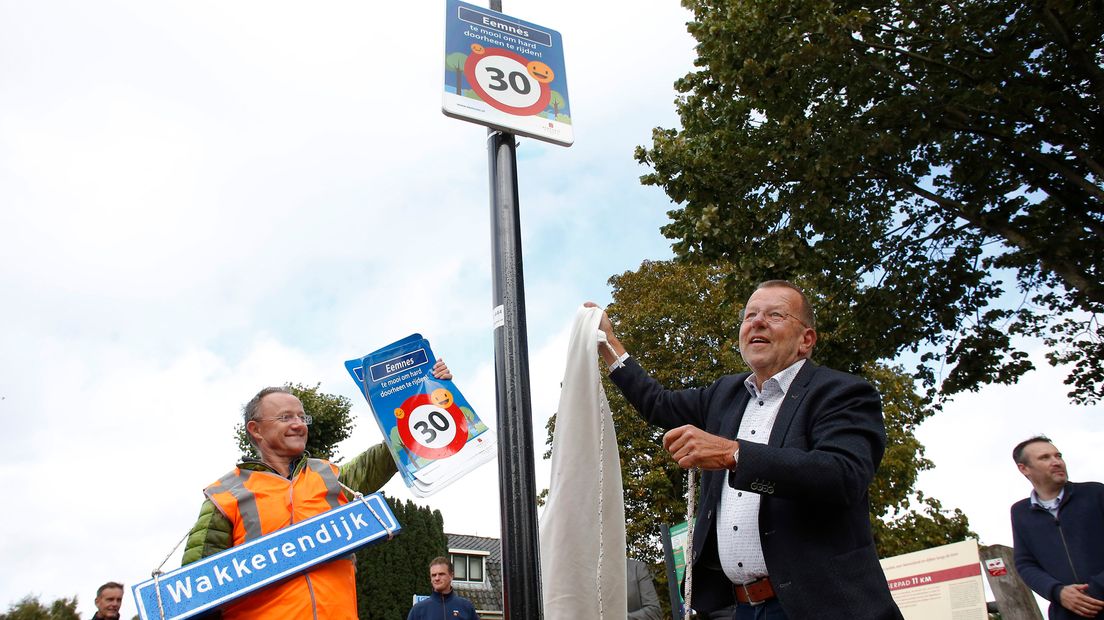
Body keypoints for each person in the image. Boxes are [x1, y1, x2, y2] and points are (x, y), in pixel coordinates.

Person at [588, 280, 902, 620]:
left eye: (775, 315)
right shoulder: (724, 394)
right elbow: (658, 403)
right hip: (740, 609)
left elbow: (843, 475)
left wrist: (734, 455)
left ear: (806, 340)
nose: (757, 322)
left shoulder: (842, 392)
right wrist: (608, 343)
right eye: (750, 315)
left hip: (820, 605)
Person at [181, 361, 452, 620]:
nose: (299, 424)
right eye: (285, 417)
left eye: (302, 416)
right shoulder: (224, 494)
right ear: (256, 430)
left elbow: (386, 455)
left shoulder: (330, 476)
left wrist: (431, 396)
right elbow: (194, 593)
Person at [1010, 436, 1104, 619]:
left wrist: (1096, 588)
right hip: (1065, 613)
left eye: (1058, 456)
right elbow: (1025, 563)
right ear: (1024, 468)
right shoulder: (1020, 513)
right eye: (1045, 458)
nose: (1056, 462)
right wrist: (1057, 592)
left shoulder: (1095, 493)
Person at [407, 556, 479, 620]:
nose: (437, 578)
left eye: (441, 574)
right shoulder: (418, 610)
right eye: (434, 575)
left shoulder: (466, 607)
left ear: (451, 575)